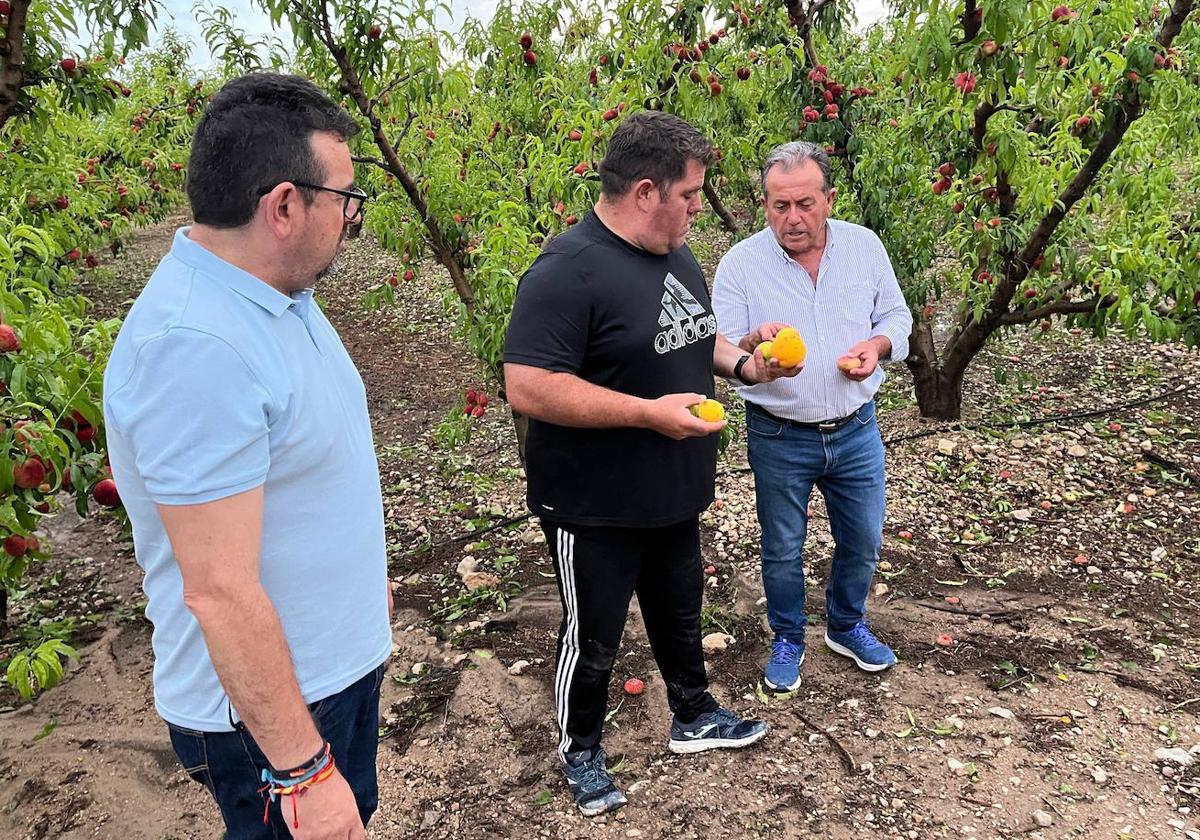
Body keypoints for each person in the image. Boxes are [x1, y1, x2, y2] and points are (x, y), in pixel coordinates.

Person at [103, 73, 391, 838]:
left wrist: (361, 594)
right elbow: (219, 591)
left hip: (326, 669)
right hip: (274, 718)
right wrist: (301, 770)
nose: (354, 218)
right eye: (347, 199)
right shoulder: (196, 347)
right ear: (286, 206)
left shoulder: (274, 291)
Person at [503, 111, 799, 817]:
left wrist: (745, 364)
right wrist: (645, 412)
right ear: (644, 191)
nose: (700, 208)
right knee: (594, 633)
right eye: (690, 194)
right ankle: (581, 749)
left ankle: (692, 712)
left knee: (679, 608)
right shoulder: (565, 272)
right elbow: (528, 385)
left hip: (673, 484)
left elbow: (692, 340)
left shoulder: (675, 254)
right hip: (593, 501)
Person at [711, 141, 913, 693]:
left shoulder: (865, 248)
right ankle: (789, 636)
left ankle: (846, 625)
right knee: (781, 545)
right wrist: (754, 354)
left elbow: (897, 314)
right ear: (765, 204)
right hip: (779, 433)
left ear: (829, 198)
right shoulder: (741, 264)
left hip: (855, 428)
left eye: (804, 203)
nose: (792, 218)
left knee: (864, 537)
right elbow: (720, 343)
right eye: (780, 206)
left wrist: (878, 345)